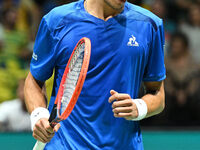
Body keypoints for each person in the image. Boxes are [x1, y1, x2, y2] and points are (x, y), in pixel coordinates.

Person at [24, 0, 166, 149]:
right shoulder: (56, 20)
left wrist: (139, 107)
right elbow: (34, 80)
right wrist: (39, 115)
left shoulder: (150, 24)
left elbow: (157, 93)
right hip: (64, 144)